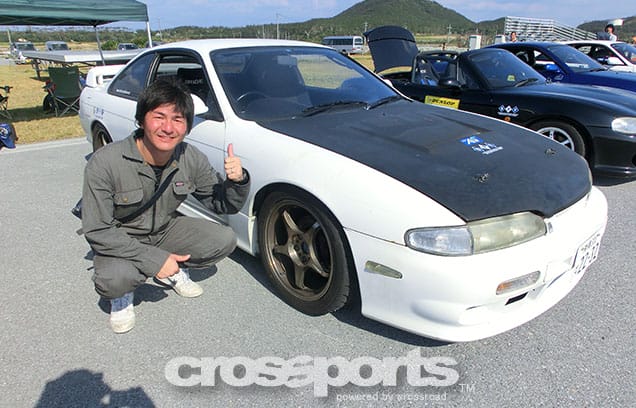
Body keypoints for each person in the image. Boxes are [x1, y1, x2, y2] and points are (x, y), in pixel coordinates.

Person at [81, 78, 250, 333]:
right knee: (114, 280)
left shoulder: (190, 156)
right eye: (159, 117)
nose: (168, 128)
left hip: (163, 230)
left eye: (178, 119)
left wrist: (238, 181)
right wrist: (155, 260)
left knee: (224, 239)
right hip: (121, 237)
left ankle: (173, 269)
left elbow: (221, 204)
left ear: (187, 127)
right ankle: (123, 296)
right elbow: (98, 230)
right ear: (141, 119)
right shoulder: (106, 161)